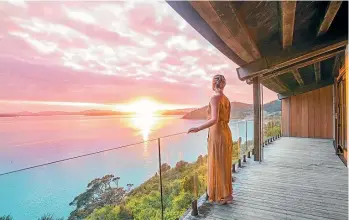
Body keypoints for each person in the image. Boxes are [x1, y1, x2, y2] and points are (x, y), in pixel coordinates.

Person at [188, 74, 233, 205]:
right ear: (223, 84)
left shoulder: (215, 98)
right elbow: (226, 119)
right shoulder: (226, 99)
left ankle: (221, 194)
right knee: (224, 163)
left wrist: (198, 128)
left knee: (217, 163)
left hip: (217, 134)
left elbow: (214, 119)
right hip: (226, 133)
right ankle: (226, 194)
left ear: (214, 84)